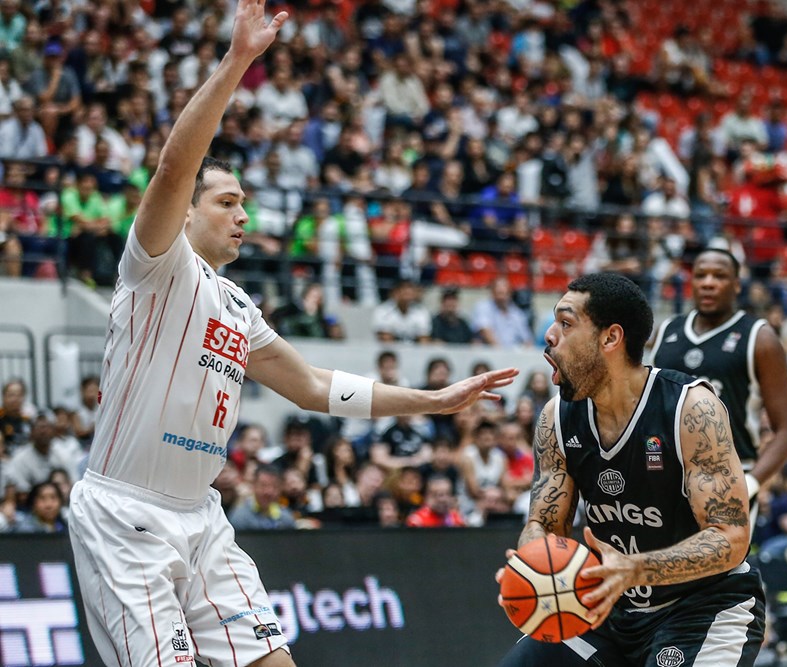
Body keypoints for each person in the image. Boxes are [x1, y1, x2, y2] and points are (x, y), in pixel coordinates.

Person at [66, 6, 517, 667]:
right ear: (186, 211)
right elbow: (172, 166)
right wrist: (237, 62)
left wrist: (431, 399)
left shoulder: (237, 303)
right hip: (127, 517)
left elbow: (312, 386)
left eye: (246, 203)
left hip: (203, 518)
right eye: (226, 202)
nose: (243, 214)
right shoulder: (156, 265)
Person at [497, 273, 763, 667]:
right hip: (608, 606)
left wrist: (635, 569)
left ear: (610, 338)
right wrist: (531, 566)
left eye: (566, 323)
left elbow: (730, 538)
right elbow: (543, 525)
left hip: (702, 607)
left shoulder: (691, 408)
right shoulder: (556, 418)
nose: (549, 335)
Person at [651, 248, 787, 517]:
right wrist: (650, 469)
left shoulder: (759, 337)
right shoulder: (667, 331)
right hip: (668, 479)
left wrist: (750, 484)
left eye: (719, 276)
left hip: (729, 477)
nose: (708, 282)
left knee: (718, 561)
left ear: (737, 284)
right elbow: (650, 419)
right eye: (700, 275)